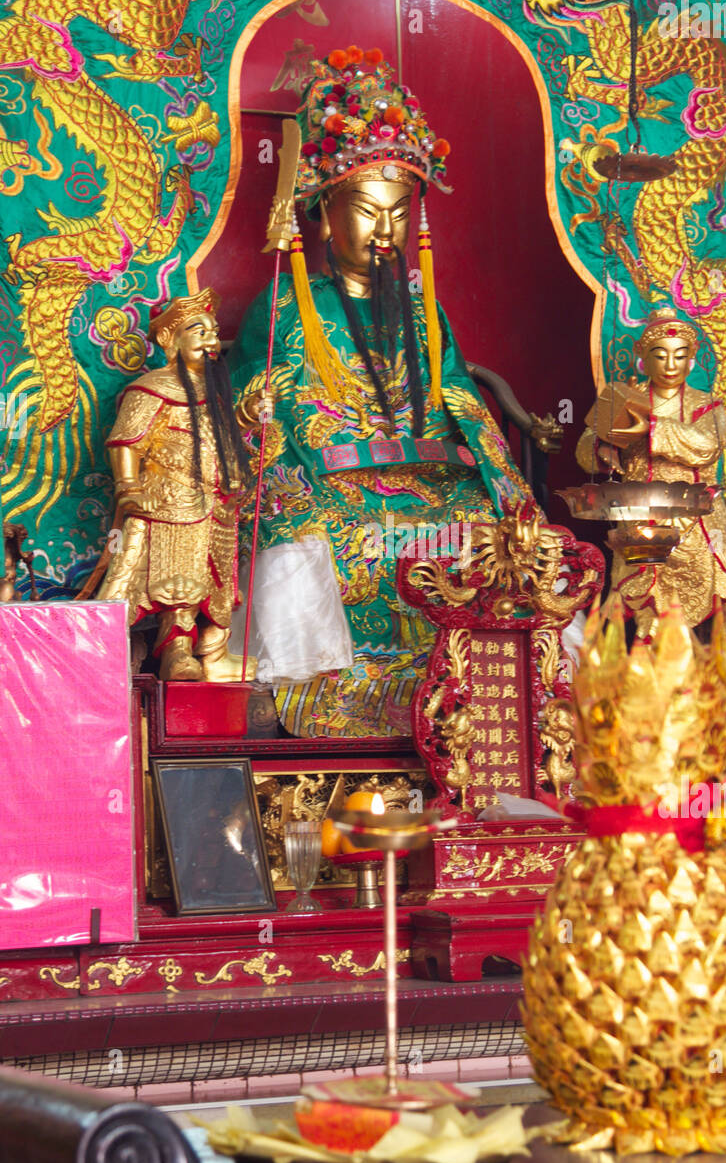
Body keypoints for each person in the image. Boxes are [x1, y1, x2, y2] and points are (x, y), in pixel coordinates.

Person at [229, 45, 539, 736]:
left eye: (399, 212)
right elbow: (274, 407)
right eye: (366, 210)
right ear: (325, 212)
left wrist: (504, 488)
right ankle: (334, 689)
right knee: (338, 535)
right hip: (334, 484)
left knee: (498, 543)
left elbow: (458, 398)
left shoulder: (423, 311)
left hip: (433, 480)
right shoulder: (286, 308)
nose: (384, 230)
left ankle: (489, 690)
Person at [575, 305, 726, 674]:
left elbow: (706, 446)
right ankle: (652, 649)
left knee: (725, 568)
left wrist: (651, 429)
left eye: (680, 356)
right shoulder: (622, 399)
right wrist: (605, 447)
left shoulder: (706, 404)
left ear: (693, 360)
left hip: (697, 509)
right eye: (661, 355)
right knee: (647, 581)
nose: (671, 364)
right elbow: (585, 451)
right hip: (641, 510)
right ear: (643, 357)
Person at [99, 289, 256, 682]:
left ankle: (199, 651)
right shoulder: (153, 387)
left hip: (211, 501)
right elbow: (125, 440)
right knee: (143, 579)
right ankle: (102, 647)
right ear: (171, 340)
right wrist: (128, 486)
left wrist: (248, 417)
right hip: (166, 500)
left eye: (213, 331)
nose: (210, 339)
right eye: (197, 330)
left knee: (206, 582)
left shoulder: (217, 393)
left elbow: (222, 436)